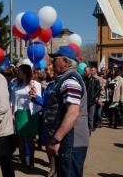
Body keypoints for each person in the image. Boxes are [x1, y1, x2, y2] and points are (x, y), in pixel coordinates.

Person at [44, 46, 89, 177]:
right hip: (67, 142)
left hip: (70, 143)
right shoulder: (65, 80)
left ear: (66, 62)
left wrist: (56, 140)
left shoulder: (70, 81)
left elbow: (72, 113)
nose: (52, 62)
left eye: (55, 59)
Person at [11, 64, 41, 168]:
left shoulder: (35, 84)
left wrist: (34, 94)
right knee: (20, 139)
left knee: (30, 139)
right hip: (19, 113)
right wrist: (12, 114)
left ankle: (31, 161)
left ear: (25, 72)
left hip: (31, 113)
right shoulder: (15, 85)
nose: (17, 73)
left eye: (19, 71)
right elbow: (13, 101)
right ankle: (23, 160)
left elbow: (39, 99)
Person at [107, 64, 123, 129]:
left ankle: (115, 124)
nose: (115, 73)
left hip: (116, 99)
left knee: (116, 112)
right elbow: (109, 87)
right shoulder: (113, 79)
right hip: (111, 98)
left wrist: (122, 100)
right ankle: (110, 122)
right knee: (110, 112)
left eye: (116, 72)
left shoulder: (121, 80)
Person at [84, 66, 101, 133]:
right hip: (85, 101)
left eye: (86, 71)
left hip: (92, 102)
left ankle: (89, 130)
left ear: (90, 72)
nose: (84, 72)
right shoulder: (83, 80)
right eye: (84, 71)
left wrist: (94, 97)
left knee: (90, 117)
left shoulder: (95, 80)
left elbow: (98, 90)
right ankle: (86, 129)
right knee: (85, 117)